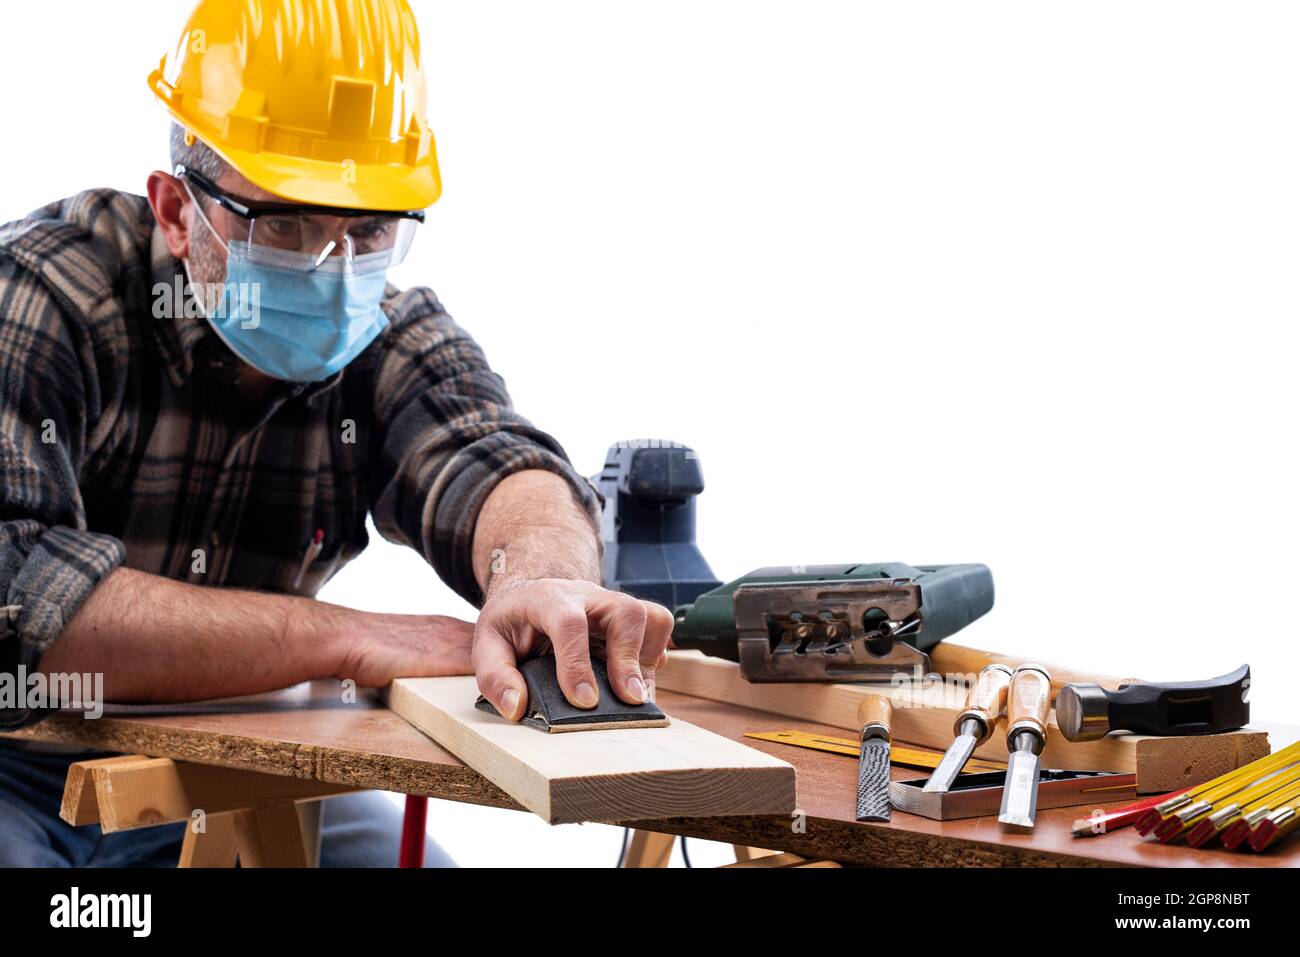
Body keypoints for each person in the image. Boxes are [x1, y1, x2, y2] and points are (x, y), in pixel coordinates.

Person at [0, 0, 671, 867]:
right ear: (175, 210)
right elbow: (16, 596)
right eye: (285, 226)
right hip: (17, 757)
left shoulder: (387, 335)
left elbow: (495, 454)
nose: (336, 271)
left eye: (369, 230)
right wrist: (348, 636)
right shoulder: (45, 293)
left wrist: (537, 579)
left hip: (223, 760)